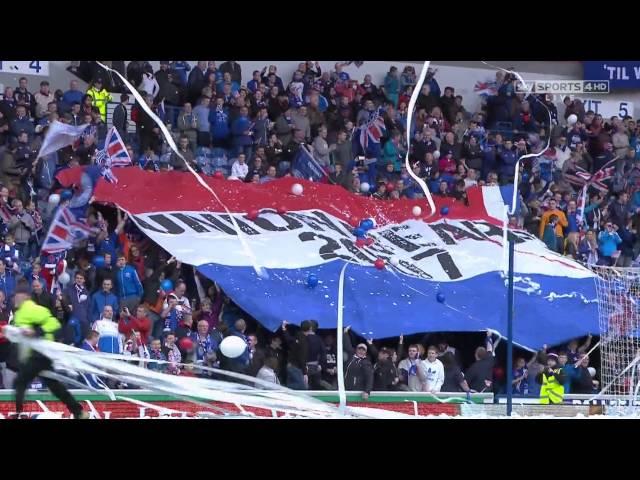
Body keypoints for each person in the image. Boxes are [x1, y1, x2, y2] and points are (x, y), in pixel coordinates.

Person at [5, 285, 87, 418]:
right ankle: (78, 411)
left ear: (25, 297)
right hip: (34, 355)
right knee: (54, 386)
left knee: (20, 382)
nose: (15, 298)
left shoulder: (34, 309)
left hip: (39, 354)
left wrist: (36, 332)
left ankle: (19, 413)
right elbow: (21, 333)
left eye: (18, 295)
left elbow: (54, 324)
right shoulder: (19, 313)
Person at [343, 327, 374, 400]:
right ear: (356, 350)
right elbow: (347, 345)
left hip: (356, 391)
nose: (361, 351)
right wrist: (345, 333)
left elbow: (369, 377)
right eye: (359, 349)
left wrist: (367, 391)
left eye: (363, 350)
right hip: (345, 389)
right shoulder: (351, 357)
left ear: (365, 352)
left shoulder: (366, 363)